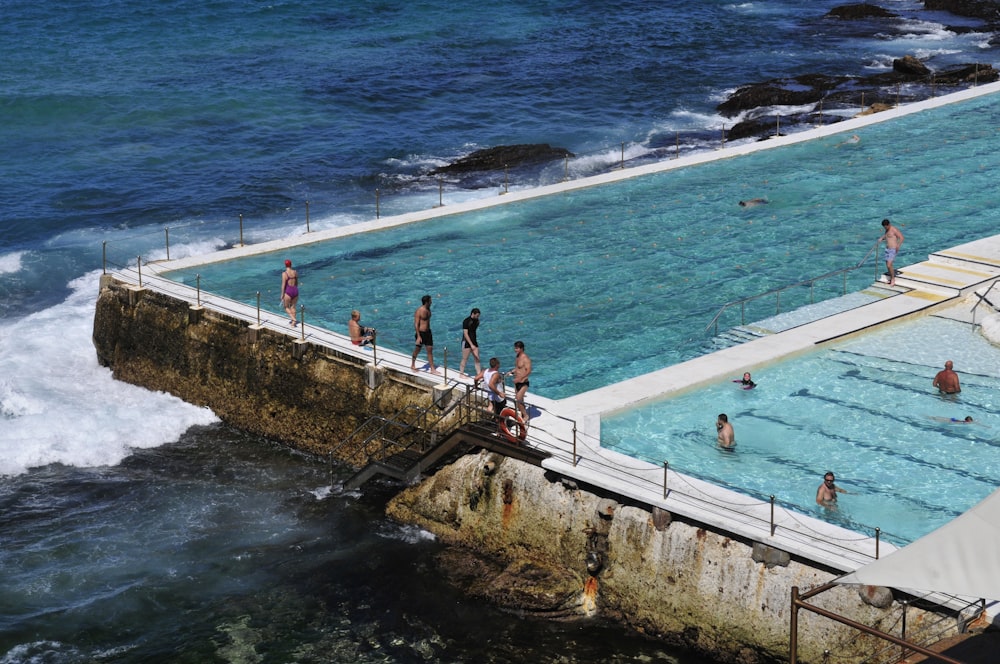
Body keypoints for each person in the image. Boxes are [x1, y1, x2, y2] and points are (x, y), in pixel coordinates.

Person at [410, 294, 439, 374]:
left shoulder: (428, 309)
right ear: (426, 302)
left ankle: (432, 369)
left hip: (428, 332)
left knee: (430, 350)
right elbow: (416, 324)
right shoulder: (419, 311)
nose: (431, 302)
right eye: (430, 301)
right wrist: (418, 336)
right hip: (421, 333)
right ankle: (413, 364)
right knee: (417, 350)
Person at [475, 357, 507, 423]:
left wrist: (476, 386)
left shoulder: (485, 371)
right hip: (498, 397)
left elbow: (476, 378)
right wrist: (499, 393)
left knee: (491, 407)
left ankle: (487, 419)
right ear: (497, 365)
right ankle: (499, 426)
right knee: (501, 411)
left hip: (490, 394)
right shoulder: (495, 374)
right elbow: (491, 384)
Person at [878, 218, 904, 287]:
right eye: (884, 227)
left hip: (893, 249)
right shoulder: (887, 230)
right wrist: (881, 238)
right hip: (887, 249)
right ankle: (890, 278)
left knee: (889, 265)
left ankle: (893, 279)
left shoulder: (894, 229)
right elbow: (887, 235)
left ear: (889, 224)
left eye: (886, 227)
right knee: (887, 265)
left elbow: (901, 237)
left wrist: (898, 246)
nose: (885, 228)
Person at [512, 341, 532, 425]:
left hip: (523, 382)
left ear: (521, 348)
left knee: (518, 399)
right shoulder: (517, 356)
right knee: (520, 400)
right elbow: (518, 368)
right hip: (517, 382)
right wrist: (512, 371)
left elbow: (529, 370)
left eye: (517, 348)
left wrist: (521, 378)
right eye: (515, 348)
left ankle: (526, 416)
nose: (515, 350)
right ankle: (523, 415)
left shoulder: (525, 358)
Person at [458, 308, 482, 376]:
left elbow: (473, 331)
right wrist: (471, 344)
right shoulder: (466, 321)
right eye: (477, 315)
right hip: (466, 342)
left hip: (474, 341)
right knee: (465, 358)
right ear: (473, 314)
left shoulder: (477, 321)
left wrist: (473, 344)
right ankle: (461, 373)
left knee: (477, 358)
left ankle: (479, 374)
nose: (478, 317)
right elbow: (465, 333)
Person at [280, 259, 299, 327]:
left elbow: (283, 285)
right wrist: (295, 289)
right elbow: (297, 282)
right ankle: (293, 324)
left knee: (285, 307)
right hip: (295, 290)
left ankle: (293, 319)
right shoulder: (295, 272)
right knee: (293, 307)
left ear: (285, 265)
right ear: (291, 264)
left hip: (288, 291)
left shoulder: (284, 274)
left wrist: (282, 294)